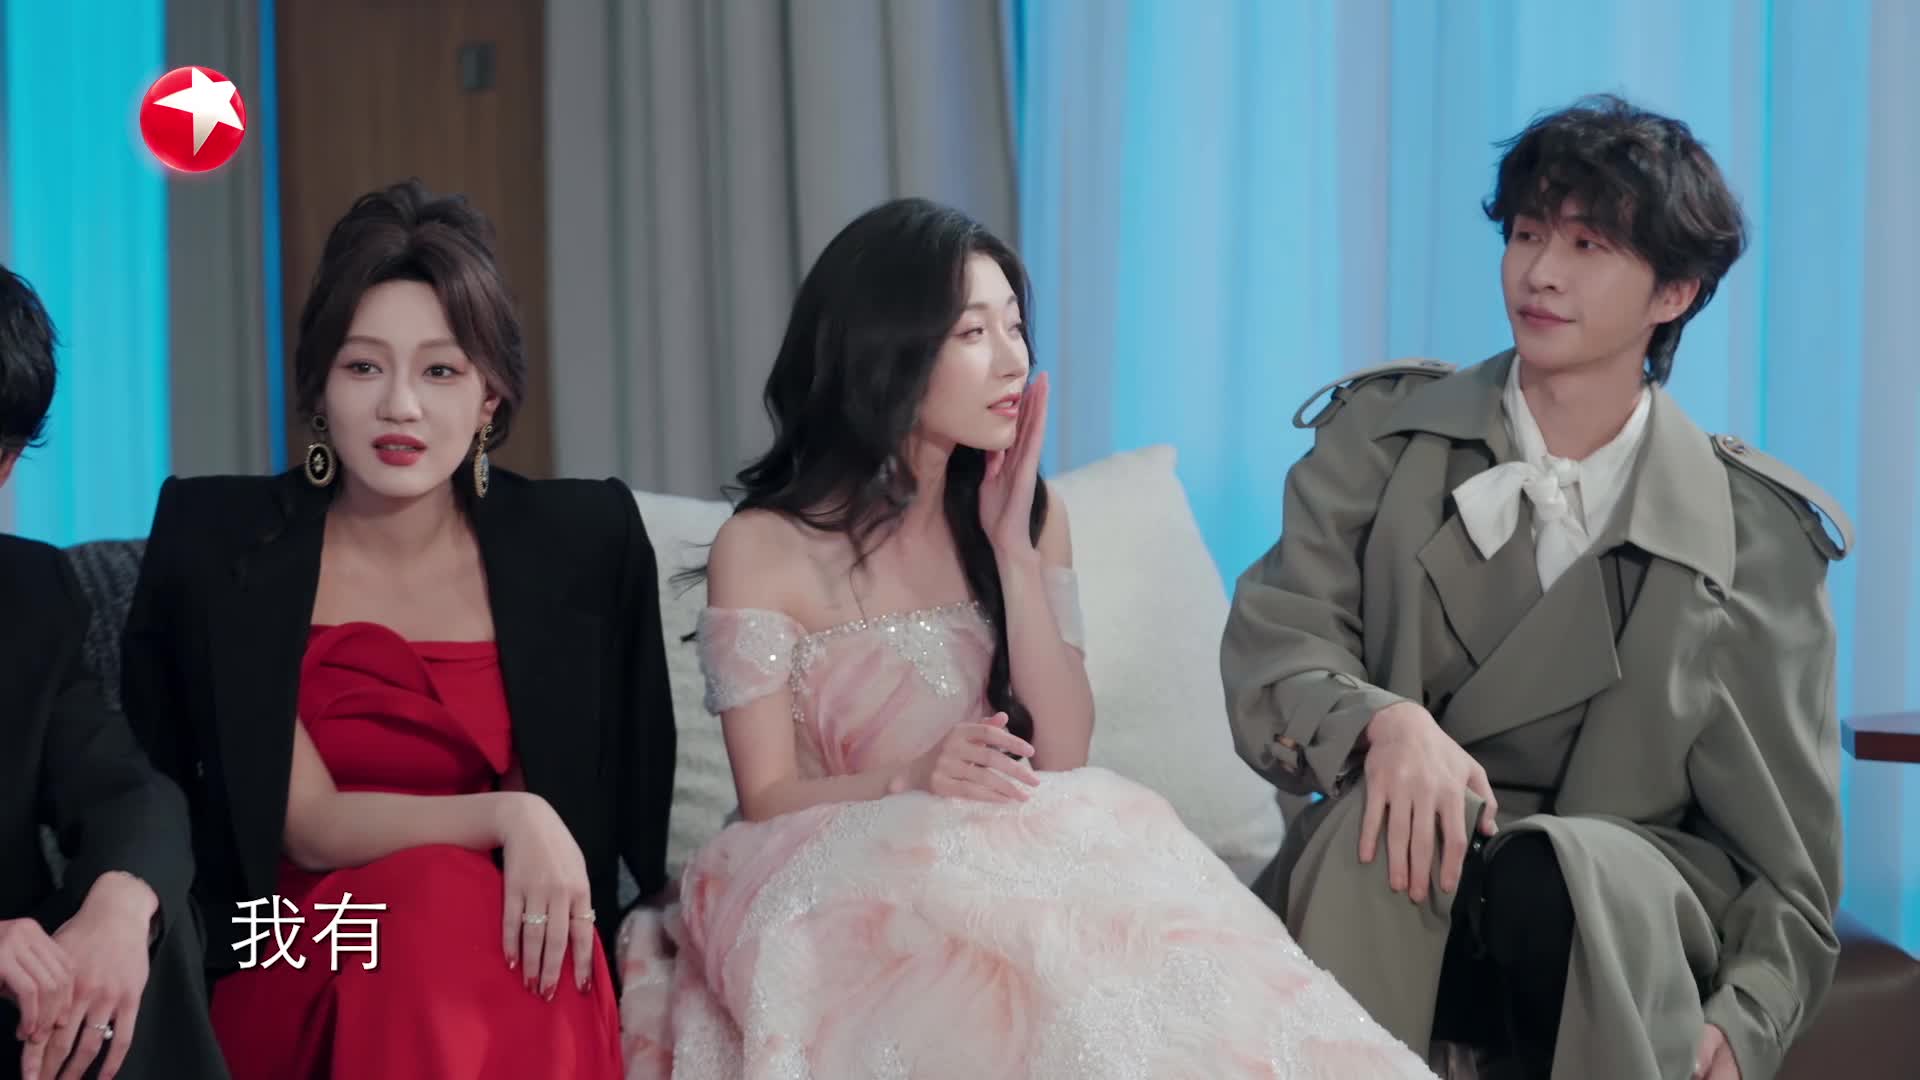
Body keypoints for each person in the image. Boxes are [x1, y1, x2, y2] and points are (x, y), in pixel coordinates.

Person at [617, 197, 1434, 1079]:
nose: (1013, 359)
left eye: (1015, 325)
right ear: (886, 351)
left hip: (1012, 847)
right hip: (833, 873)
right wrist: (907, 780)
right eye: (974, 333)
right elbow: (767, 796)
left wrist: (1011, 549)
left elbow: (1065, 754)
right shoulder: (763, 549)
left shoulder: (1031, 519)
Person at [1222, 95, 1849, 1080]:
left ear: (1675, 292)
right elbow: (1280, 642)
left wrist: (1749, 1014)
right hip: (1389, 860)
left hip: (1604, 909)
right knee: (1377, 837)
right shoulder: (1379, 442)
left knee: (1559, 881)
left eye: (1588, 244)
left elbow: (1787, 859)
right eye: (1526, 234)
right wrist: (1384, 723)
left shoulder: (1753, 536)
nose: (1541, 273)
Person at [118, 181, 677, 1079]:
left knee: (476, 914)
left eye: (441, 371)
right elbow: (306, 827)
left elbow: (625, 803)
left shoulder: (584, 542)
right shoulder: (216, 541)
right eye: (364, 367)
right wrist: (512, 814)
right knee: (431, 899)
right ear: (320, 388)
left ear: (490, 398)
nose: (401, 407)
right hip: (298, 941)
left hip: (511, 943)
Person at [0, 265, 228, 1080]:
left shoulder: (30, 595)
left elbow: (127, 788)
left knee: (142, 931)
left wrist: (124, 901)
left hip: (19, 1006)